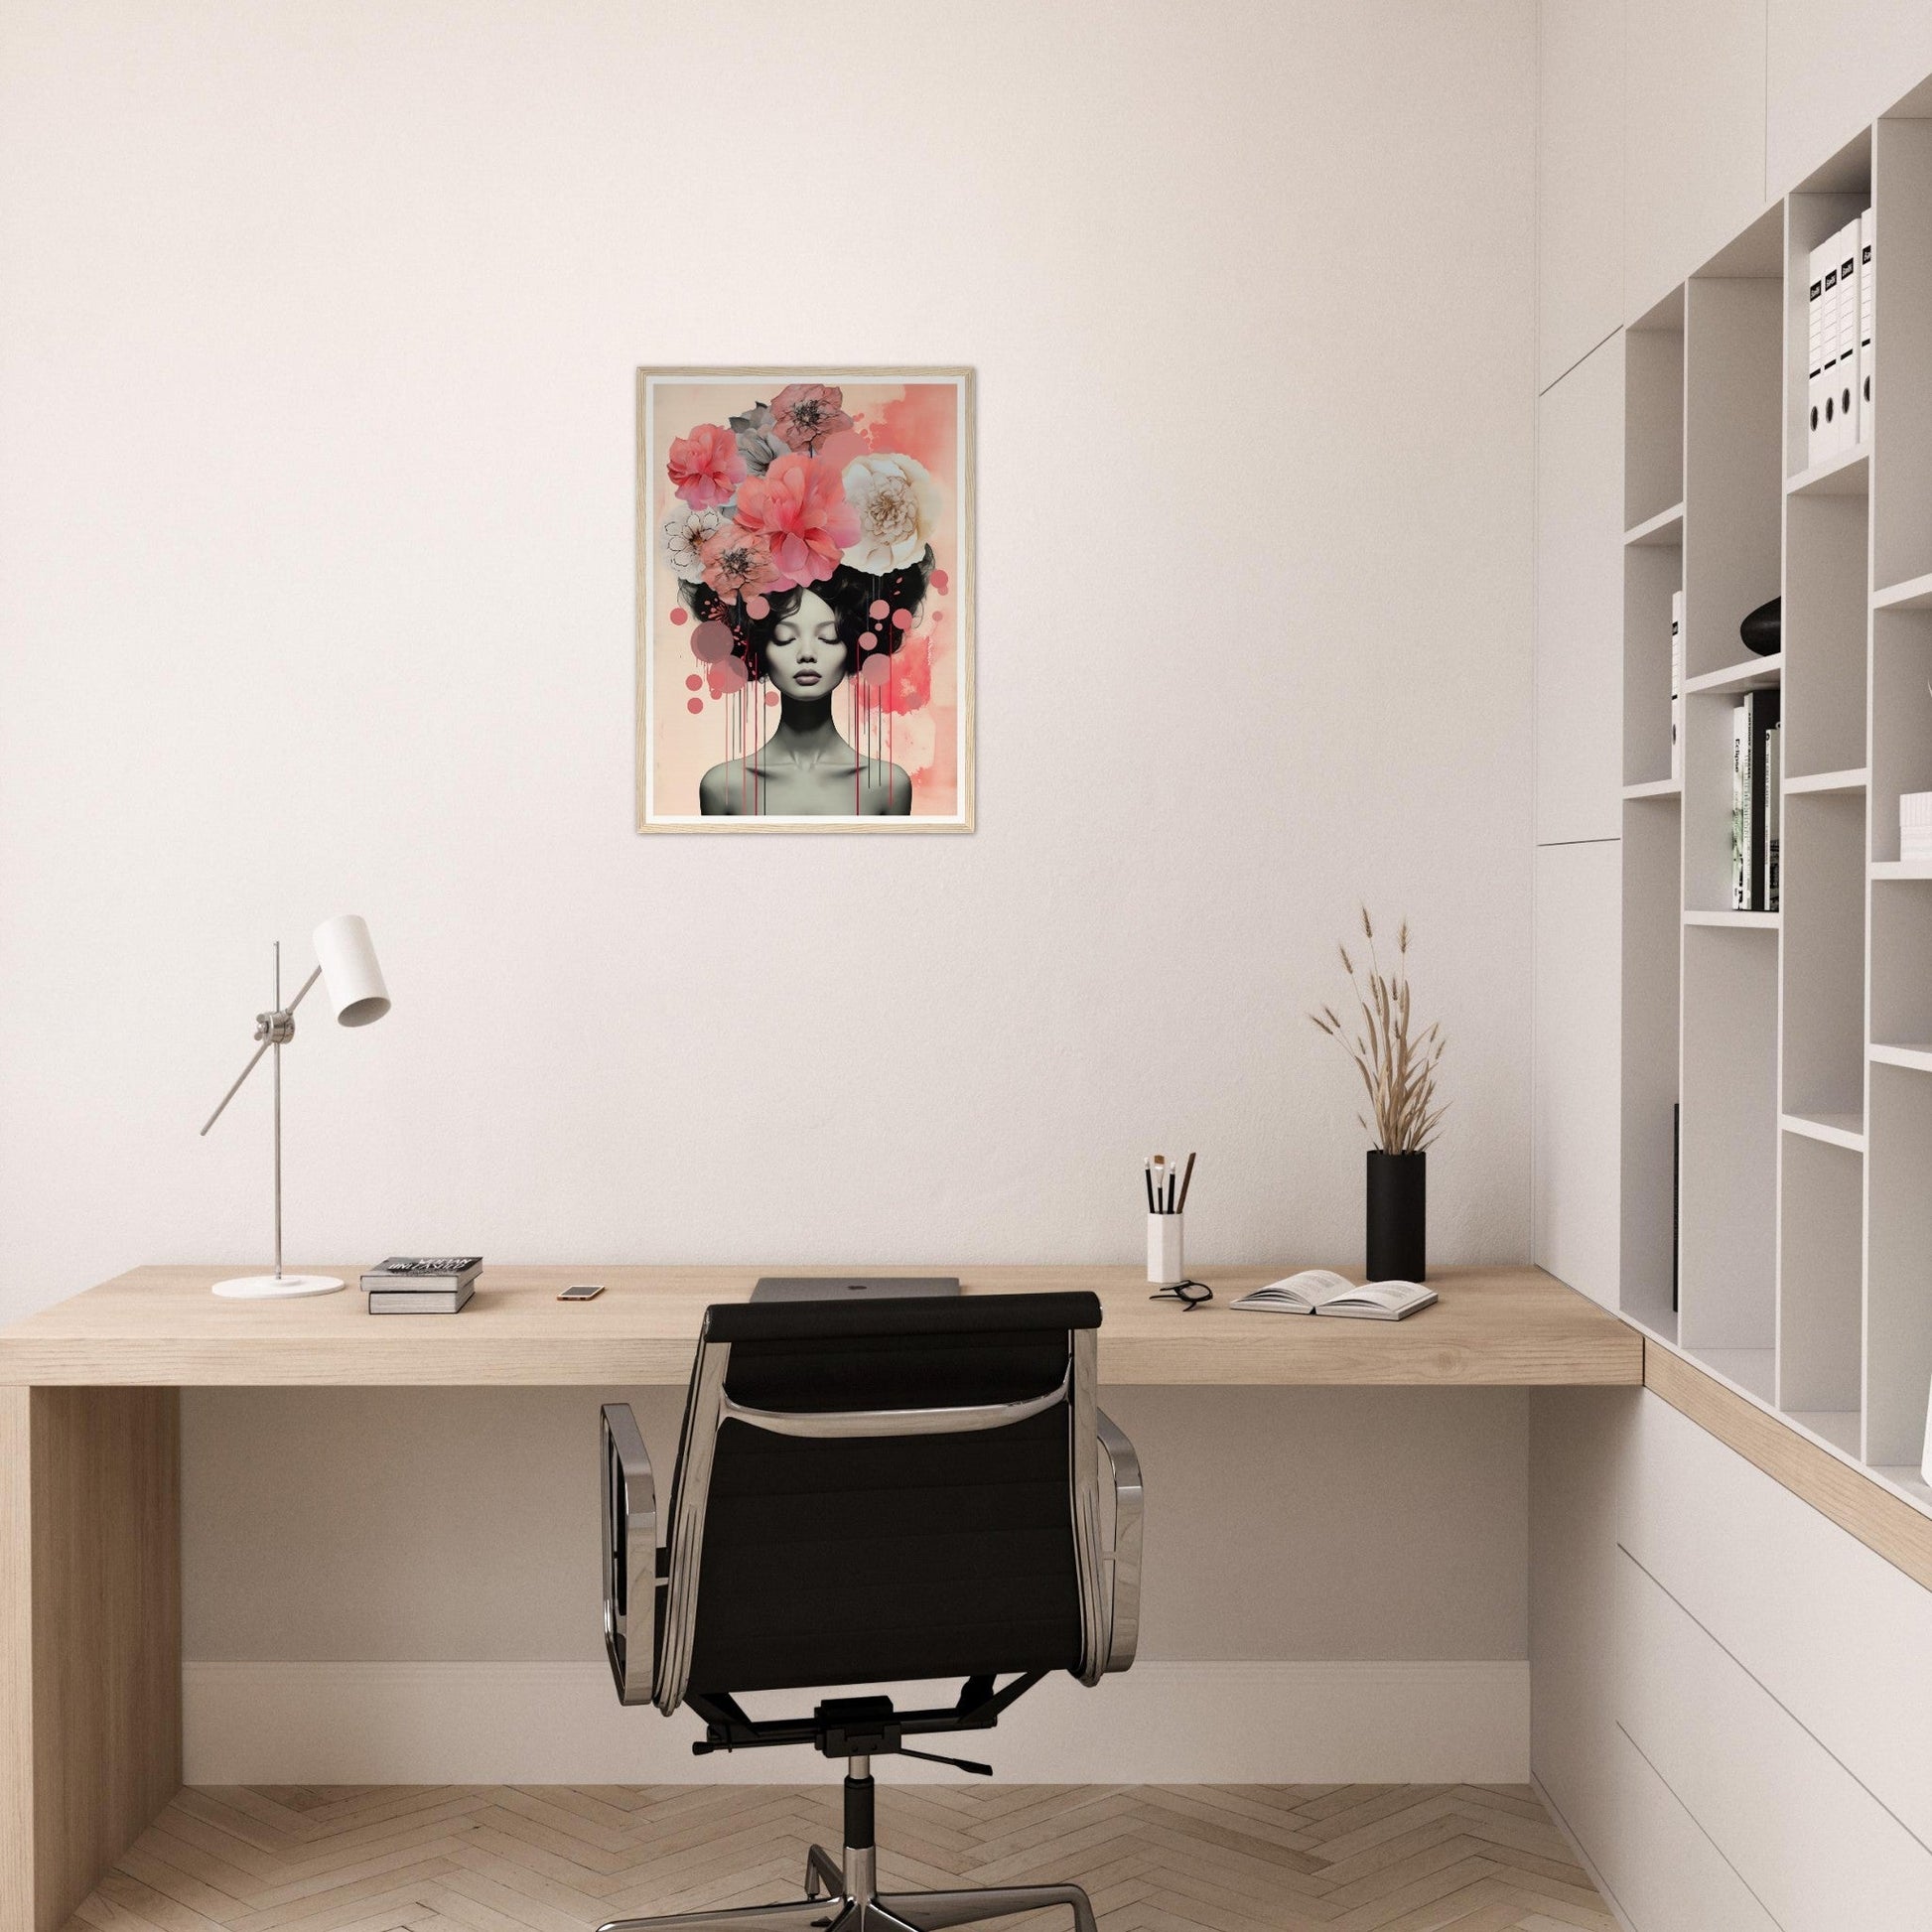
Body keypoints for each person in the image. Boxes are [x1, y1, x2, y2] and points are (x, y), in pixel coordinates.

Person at [689, 553, 926, 817]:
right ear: (757, 646)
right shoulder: (723, 787)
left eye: (828, 637)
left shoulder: (887, 786)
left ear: (852, 644)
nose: (807, 653)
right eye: (785, 638)